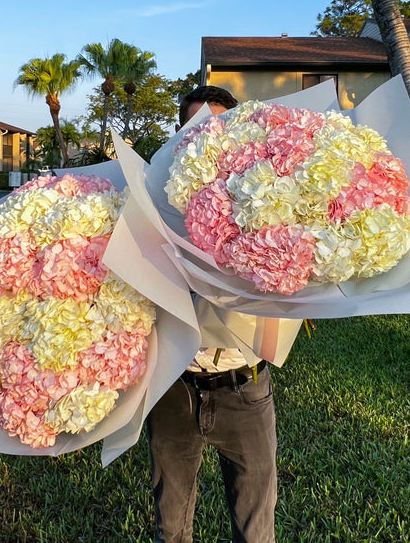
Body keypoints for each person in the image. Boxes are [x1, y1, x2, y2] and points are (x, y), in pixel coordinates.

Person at [146, 85, 278, 543]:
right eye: (192, 127)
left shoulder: (267, 203)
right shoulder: (152, 206)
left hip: (244, 387)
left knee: (255, 527)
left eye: (215, 128)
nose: (203, 137)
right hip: (173, 387)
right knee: (171, 525)